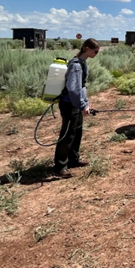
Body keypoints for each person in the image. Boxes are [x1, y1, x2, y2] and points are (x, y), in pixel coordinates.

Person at [54, 38, 100, 178]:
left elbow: (82, 87)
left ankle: (73, 159)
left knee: (77, 132)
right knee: (68, 135)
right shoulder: (76, 66)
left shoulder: (81, 63)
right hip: (69, 104)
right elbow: (73, 89)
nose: (96, 54)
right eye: (95, 51)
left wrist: (86, 103)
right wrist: (81, 106)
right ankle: (60, 166)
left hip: (76, 104)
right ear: (87, 48)